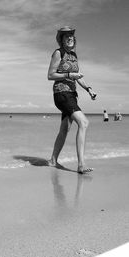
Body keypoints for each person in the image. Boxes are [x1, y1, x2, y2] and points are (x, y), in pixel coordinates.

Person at [47, 26, 97, 174]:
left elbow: (77, 76)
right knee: (84, 122)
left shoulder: (74, 55)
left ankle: (52, 161)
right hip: (61, 93)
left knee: (64, 129)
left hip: (71, 94)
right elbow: (50, 75)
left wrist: (88, 89)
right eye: (66, 36)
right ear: (61, 40)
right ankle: (81, 165)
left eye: (71, 36)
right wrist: (69, 74)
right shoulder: (58, 53)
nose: (69, 38)